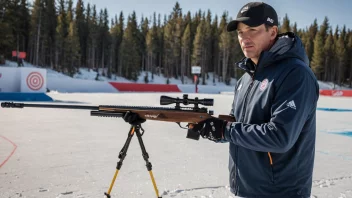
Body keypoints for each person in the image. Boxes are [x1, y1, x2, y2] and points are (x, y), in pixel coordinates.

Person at [123, 2, 319, 198]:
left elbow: (280, 137)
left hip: (280, 192)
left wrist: (224, 130)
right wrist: (208, 126)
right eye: (240, 32)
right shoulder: (245, 79)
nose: (245, 37)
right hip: (245, 188)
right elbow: (238, 126)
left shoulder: (295, 74)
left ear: (273, 32)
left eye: (253, 30)